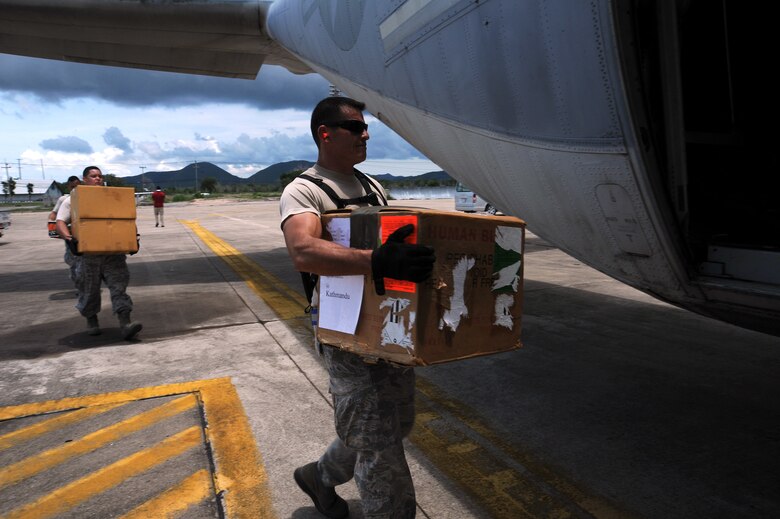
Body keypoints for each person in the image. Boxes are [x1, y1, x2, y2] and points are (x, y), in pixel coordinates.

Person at [280, 96, 435, 519]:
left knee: (391, 423)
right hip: (344, 333)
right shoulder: (305, 190)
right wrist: (376, 261)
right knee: (380, 448)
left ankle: (319, 476)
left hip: (386, 327)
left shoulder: (372, 186)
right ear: (324, 133)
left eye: (365, 127)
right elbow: (303, 250)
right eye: (354, 127)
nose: (364, 134)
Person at [56, 166, 143, 339]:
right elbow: (60, 222)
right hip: (86, 256)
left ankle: (125, 323)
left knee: (119, 287)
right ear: (84, 179)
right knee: (89, 290)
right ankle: (92, 320)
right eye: (93, 176)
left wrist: (133, 238)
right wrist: (69, 239)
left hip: (113, 253)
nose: (97, 179)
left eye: (100, 176)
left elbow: (125, 219)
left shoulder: (111, 196)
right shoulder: (72, 199)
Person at [48, 175, 81, 281]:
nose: (75, 189)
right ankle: (78, 283)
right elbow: (53, 215)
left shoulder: (85, 197)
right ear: (68, 187)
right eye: (72, 187)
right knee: (73, 259)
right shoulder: (64, 199)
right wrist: (52, 228)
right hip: (70, 235)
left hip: (83, 234)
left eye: (77, 186)